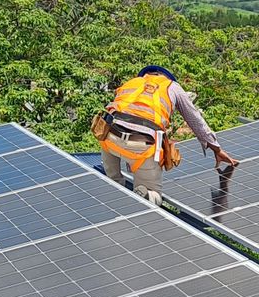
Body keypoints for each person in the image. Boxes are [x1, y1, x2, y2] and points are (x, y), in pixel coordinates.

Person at [96, 65, 238, 203]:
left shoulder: (132, 83)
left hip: (109, 136)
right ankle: (147, 196)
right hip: (142, 144)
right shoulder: (173, 87)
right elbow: (195, 120)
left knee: (113, 183)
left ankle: (114, 189)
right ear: (167, 77)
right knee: (152, 195)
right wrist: (216, 148)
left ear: (146, 74)